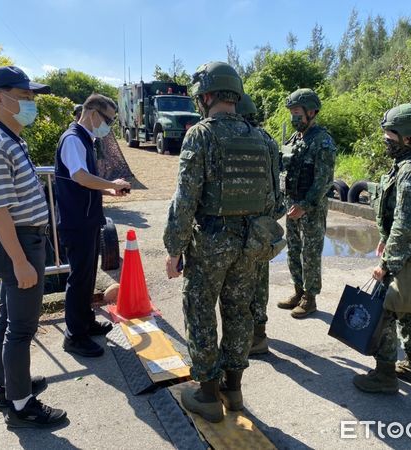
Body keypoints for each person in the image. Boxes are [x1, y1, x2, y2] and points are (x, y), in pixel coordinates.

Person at [163, 62, 274, 423]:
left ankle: (207, 393)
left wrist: (174, 248)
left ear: (206, 96)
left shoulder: (201, 135)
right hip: (252, 243)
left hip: (212, 241)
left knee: (200, 309)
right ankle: (234, 388)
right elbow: (274, 197)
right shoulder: (262, 138)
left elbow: (185, 200)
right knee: (239, 310)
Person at [0, 65, 67, 428]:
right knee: (21, 328)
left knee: (6, 320)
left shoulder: (9, 137)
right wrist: (21, 261)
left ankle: (9, 387)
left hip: (23, 241)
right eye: (24, 97)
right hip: (20, 244)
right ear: (0, 98)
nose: (30, 104)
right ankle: (21, 403)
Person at [353, 103, 411, 394]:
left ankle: (385, 375)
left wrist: (387, 264)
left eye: (390, 136)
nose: (385, 141)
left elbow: (407, 225)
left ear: (408, 138)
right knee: (410, 311)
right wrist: (387, 238)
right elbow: (404, 219)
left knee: (385, 312)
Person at [55, 94, 131, 358]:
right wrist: (112, 184)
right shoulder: (74, 139)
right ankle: (74, 336)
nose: (109, 126)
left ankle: (85, 322)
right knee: (78, 279)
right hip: (76, 222)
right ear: (94, 113)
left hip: (85, 219)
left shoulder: (85, 139)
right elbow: (80, 176)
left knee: (86, 277)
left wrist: (110, 192)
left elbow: (85, 182)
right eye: (109, 119)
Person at [277, 88, 336, 318]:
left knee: (310, 254)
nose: (294, 118)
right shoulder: (294, 139)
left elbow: (324, 181)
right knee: (293, 250)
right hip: (292, 205)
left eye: (297, 113)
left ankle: (310, 299)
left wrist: (304, 205)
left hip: (310, 208)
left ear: (312, 112)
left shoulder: (322, 141)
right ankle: (298, 291)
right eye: (291, 113)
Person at [236, 93, 285, 355]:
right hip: (263, 222)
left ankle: (252, 337)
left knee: (242, 283)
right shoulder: (267, 139)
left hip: (241, 223)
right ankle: (258, 333)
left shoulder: (239, 138)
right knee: (259, 279)